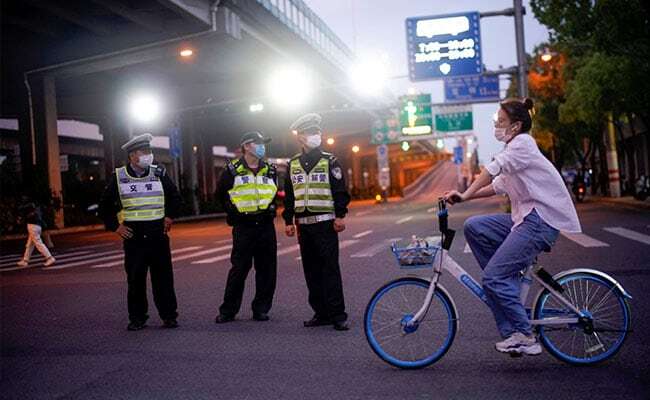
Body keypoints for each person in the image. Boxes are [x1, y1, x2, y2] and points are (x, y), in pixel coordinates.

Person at [444, 98, 581, 356]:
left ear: (516, 126)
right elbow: (497, 185)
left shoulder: (522, 144)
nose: (496, 125)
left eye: (501, 121)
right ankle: (506, 283)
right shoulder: (514, 149)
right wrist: (462, 198)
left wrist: (465, 193)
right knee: (474, 227)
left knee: (492, 277)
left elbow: (491, 170)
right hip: (525, 218)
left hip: (540, 221)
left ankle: (525, 336)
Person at [99, 133, 182, 331]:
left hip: (157, 234)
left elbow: (175, 196)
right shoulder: (119, 177)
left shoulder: (159, 172)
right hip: (134, 237)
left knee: (163, 278)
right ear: (132, 156)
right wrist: (116, 226)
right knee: (135, 279)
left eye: (149, 151)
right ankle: (137, 318)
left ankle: (169, 316)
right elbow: (104, 206)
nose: (148, 155)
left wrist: (169, 216)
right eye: (144, 152)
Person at [283, 113, 351, 331]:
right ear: (301, 137)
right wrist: (288, 220)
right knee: (311, 271)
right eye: (311, 132)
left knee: (330, 269)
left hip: (325, 224)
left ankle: (337, 315)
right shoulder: (292, 164)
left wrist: (340, 215)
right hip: (303, 225)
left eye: (317, 132)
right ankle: (321, 313)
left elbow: (339, 190)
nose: (316, 136)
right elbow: (290, 195)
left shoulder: (330, 161)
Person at [214, 131, 278, 323]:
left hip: (265, 226)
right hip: (244, 227)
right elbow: (221, 195)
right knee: (239, 269)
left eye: (263, 143)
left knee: (267, 270)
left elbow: (273, 192)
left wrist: (272, 209)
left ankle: (261, 309)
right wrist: (232, 212)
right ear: (247, 146)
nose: (262, 147)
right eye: (258, 143)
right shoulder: (232, 170)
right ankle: (228, 311)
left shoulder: (270, 170)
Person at [16, 200, 56, 267]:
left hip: (33, 226)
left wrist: (22, 218)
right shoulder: (37, 207)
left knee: (38, 243)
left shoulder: (29, 206)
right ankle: (25, 260)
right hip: (37, 226)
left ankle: (49, 257)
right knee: (30, 244)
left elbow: (24, 213)